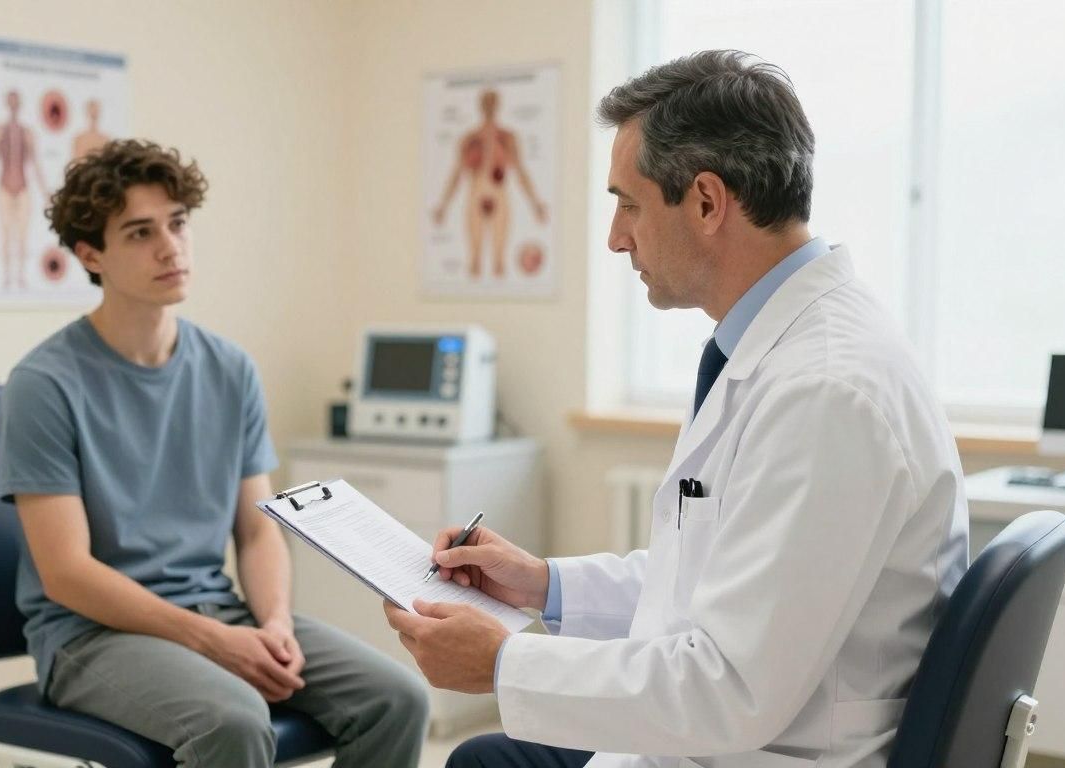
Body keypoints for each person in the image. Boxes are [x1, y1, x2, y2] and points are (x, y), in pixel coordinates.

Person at [386, 50, 969, 768]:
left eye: (628, 203)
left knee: (486, 761)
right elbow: (704, 585)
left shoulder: (825, 392)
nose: (615, 236)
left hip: (755, 748)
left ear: (704, 201)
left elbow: (728, 690)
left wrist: (504, 666)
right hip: (722, 735)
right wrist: (543, 582)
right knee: (489, 758)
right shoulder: (780, 351)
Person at [0, 139, 428, 767]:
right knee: (232, 722)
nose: (170, 247)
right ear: (92, 254)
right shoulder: (44, 384)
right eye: (141, 233)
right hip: (90, 638)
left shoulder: (229, 369)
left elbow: (258, 534)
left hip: (218, 609)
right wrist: (213, 641)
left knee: (398, 698)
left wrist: (274, 623)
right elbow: (65, 572)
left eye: (177, 224)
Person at [432, 88, 548, 278]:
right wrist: (443, 205)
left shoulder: (507, 138)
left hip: (498, 192)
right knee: (475, 259)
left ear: (497, 105)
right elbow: (456, 174)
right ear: (481, 106)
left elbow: (520, 172)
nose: (489, 106)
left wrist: (536, 204)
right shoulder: (470, 139)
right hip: (475, 191)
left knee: (499, 260)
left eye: (492, 102)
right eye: (487, 102)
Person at [0, 89, 49, 290]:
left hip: (24, 187)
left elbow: (35, 164)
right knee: (6, 234)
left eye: (16, 100)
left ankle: (21, 276)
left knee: (23, 234)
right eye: (11, 100)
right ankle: (8, 276)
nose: (13, 104)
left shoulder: (28, 133)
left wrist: (45, 192)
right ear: (7, 103)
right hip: (4, 187)